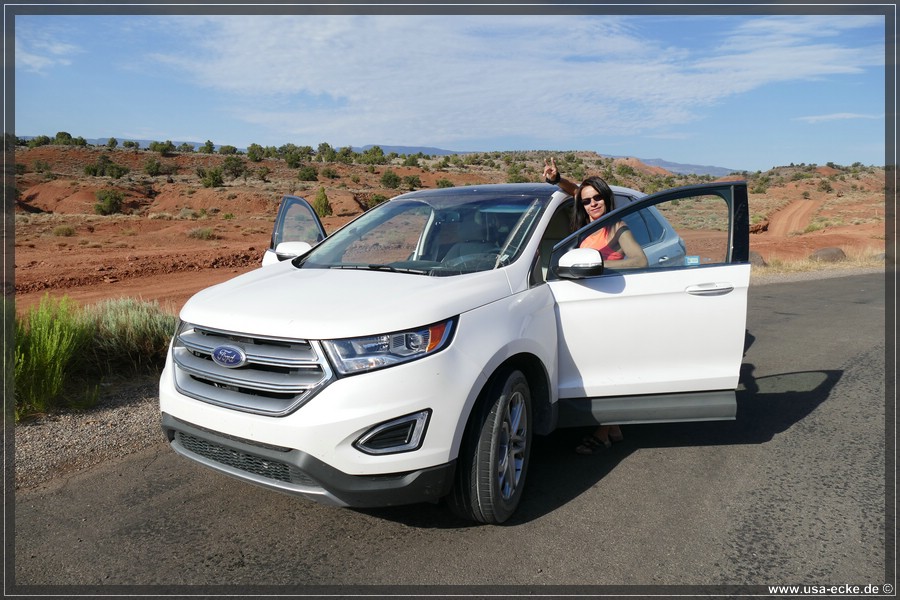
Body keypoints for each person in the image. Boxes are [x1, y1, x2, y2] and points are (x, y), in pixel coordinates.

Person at [543, 158, 647, 453]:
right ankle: (613, 428)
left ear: (606, 198)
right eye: (587, 200)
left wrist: (603, 265)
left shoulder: (617, 227)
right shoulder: (586, 226)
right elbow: (576, 190)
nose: (592, 203)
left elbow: (640, 260)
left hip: (611, 305)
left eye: (598, 198)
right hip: (588, 305)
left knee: (608, 366)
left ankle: (602, 432)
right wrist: (558, 179)